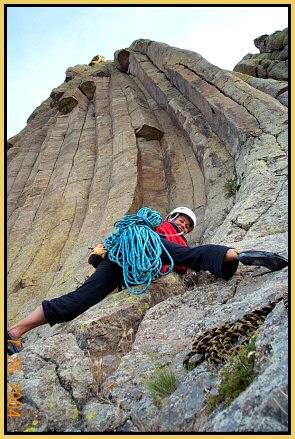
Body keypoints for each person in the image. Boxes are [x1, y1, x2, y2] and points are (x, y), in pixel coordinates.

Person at [7, 206, 288, 354]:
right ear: (172, 217)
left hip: (123, 262)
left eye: (188, 226)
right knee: (77, 301)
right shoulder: (157, 226)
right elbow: (178, 258)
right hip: (130, 253)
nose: (183, 226)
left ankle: (14, 332)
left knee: (80, 301)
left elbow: (176, 262)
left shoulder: (173, 237)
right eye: (182, 220)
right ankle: (239, 255)